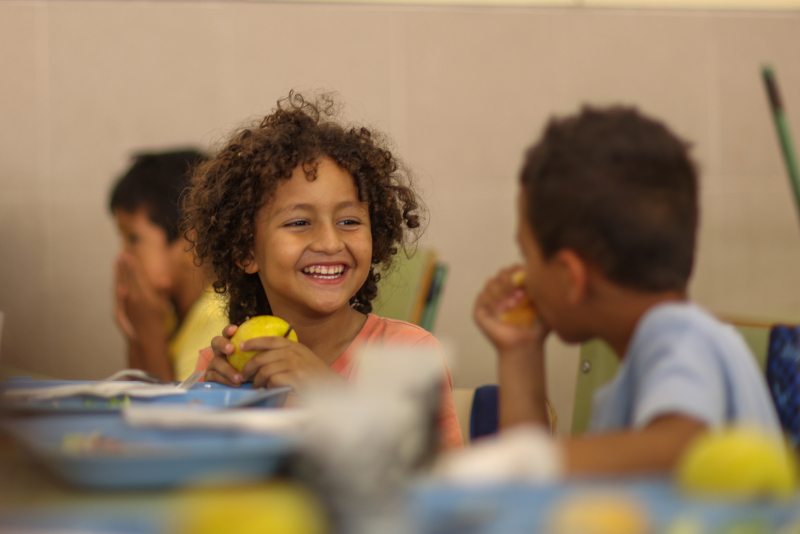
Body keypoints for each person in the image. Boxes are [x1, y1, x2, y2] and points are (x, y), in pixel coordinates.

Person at [474, 106, 781, 475]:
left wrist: (516, 463)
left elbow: (686, 445)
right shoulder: (651, 363)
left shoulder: (678, 336)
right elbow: (534, 498)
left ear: (571, 276)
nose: (521, 273)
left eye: (526, 253)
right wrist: (519, 353)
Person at [182, 92, 463, 449]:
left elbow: (440, 484)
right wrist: (215, 402)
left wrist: (327, 391)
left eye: (349, 221)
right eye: (299, 222)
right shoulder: (224, 363)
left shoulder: (407, 354)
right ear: (245, 251)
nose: (330, 243)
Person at [110, 150, 228, 382]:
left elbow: (176, 413)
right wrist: (137, 337)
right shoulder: (171, 314)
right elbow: (137, 393)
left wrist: (149, 334)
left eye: (133, 239)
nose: (123, 256)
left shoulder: (216, 318)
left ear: (192, 243)